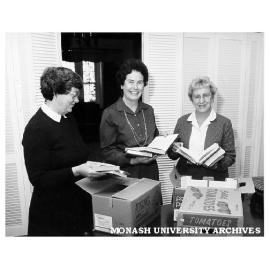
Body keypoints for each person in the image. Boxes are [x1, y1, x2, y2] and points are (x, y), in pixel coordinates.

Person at [22, 67, 101, 236]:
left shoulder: (68, 118)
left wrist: (89, 165)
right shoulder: (36, 128)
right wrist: (77, 170)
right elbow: (38, 178)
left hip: (76, 204)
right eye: (73, 95)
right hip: (52, 214)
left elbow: (76, 154)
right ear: (55, 93)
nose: (77, 100)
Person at [100, 59, 159, 180]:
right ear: (122, 84)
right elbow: (107, 151)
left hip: (151, 172)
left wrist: (164, 141)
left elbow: (154, 138)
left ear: (144, 85)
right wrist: (133, 160)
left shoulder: (149, 110)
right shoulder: (110, 113)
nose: (135, 87)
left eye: (140, 82)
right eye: (131, 82)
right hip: (126, 173)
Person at [167, 76, 236, 181]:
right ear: (192, 99)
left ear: (212, 97)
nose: (202, 100)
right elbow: (172, 156)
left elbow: (230, 156)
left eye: (206, 95)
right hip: (185, 177)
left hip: (214, 178)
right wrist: (173, 148)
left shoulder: (225, 123)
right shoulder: (182, 121)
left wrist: (216, 164)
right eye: (197, 96)